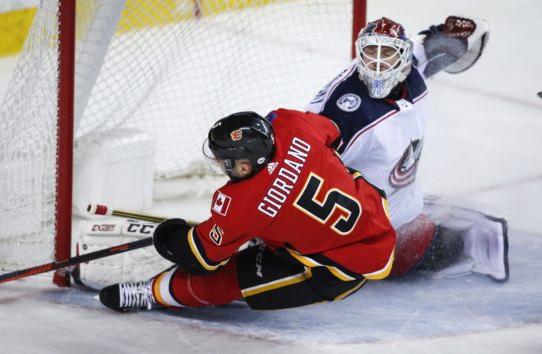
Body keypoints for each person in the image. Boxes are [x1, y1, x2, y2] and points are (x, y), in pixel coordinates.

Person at [99, 109, 397, 312]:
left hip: (339, 268)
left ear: (245, 165)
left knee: (231, 278)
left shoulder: (243, 205)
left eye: (223, 160)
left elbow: (201, 258)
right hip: (375, 214)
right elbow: (334, 135)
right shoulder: (293, 125)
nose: (219, 165)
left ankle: (150, 294)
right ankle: (283, 234)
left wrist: (169, 236)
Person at [306, 16, 508, 281]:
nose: (377, 62)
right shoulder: (342, 112)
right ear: (360, 52)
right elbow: (302, 163)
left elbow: (469, 35)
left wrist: (457, 35)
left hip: (395, 210)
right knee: (449, 246)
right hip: (367, 237)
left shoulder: (413, 67)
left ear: (403, 56)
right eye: (370, 51)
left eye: (387, 52)